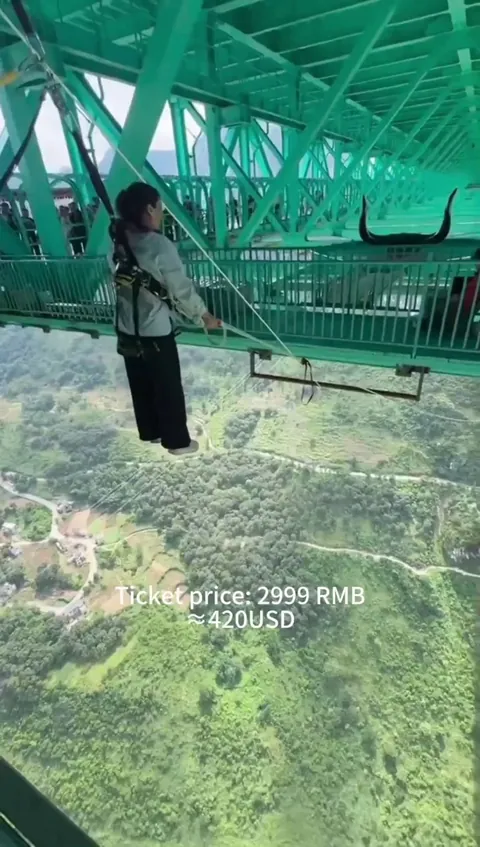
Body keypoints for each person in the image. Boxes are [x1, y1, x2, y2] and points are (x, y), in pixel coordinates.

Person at [113, 181, 221, 456]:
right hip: (154, 329)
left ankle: (150, 431)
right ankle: (176, 442)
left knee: (140, 382)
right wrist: (204, 316)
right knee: (167, 387)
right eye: (160, 208)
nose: (161, 213)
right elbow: (180, 289)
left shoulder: (118, 242)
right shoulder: (158, 245)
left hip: (126, 327)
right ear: (149, 208)